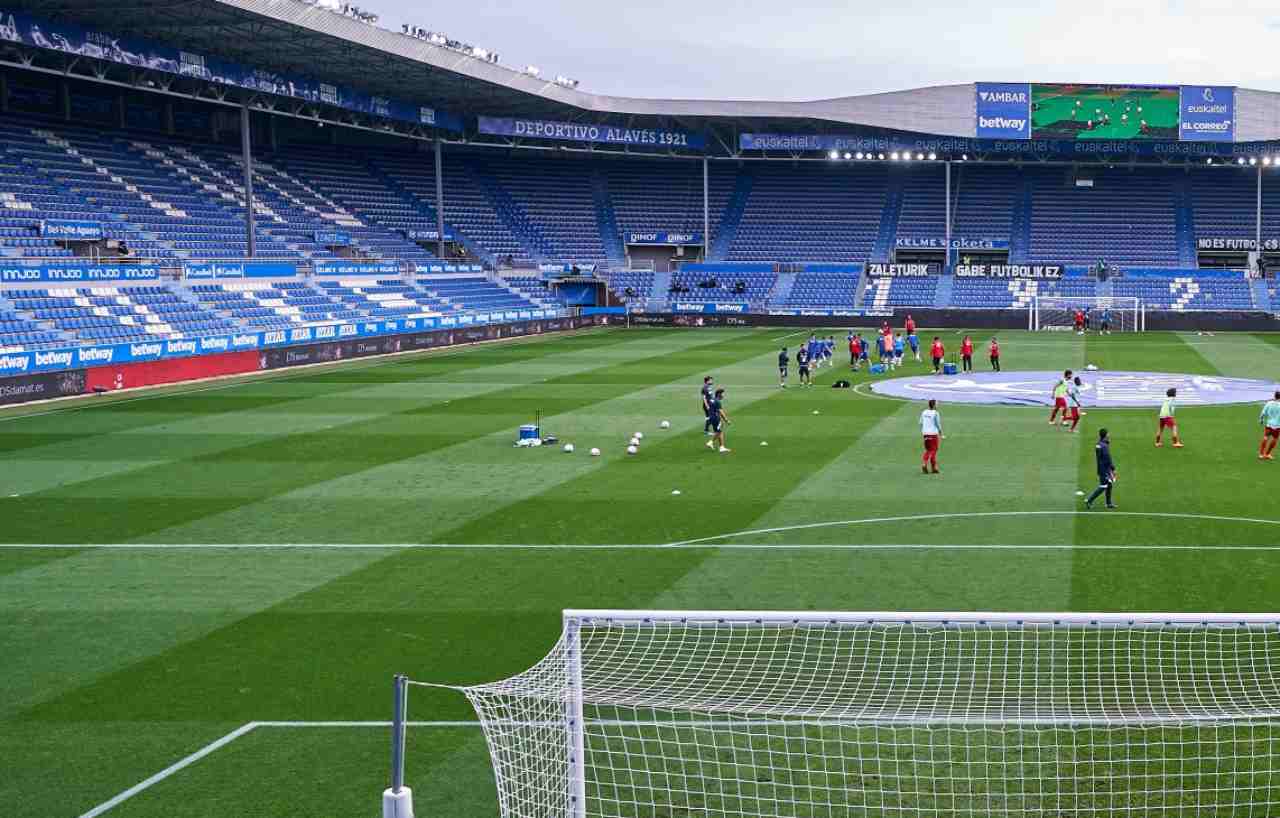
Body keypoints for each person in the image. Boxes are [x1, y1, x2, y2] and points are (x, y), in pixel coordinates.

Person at [1084, 428, 1118, 509]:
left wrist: (1106, 442)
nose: (1109, 435)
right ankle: (1089, 500)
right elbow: (1107, 458)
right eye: (1108, 434)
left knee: (1109, 485)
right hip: (1105, 470)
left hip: (1101, 468)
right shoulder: (1104, 446)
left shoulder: (1099, 444)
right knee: (1103, 486)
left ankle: (1108, 503)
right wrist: (1113, 469)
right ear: (1105, 435)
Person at [919, 398, 943, 474]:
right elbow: (938, 424)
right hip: (933, 434)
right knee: (933, 450)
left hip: (925, 434)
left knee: (928, 450)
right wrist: (941, 433)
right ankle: (930, 466)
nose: (938, 405)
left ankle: (930, 466)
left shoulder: (924, 412)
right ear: (934, 405)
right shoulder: (936, 413)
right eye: (937, 404)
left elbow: (920, 423)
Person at [707, 388, 731, 453]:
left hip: (711, 417)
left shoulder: (712, 399)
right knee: (719, 431)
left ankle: (721, 447)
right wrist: (726, 420)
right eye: (723, 394)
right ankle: (710, 442)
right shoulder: (718, 402)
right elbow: (721, 412)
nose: (723, 395)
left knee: (719, 431)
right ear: (719, 394)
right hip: (716, 418)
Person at [1260, 390, 1280, 460]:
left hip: (1269, 424)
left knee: (1265, 437)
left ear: (1274, 396)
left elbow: (1263, 413)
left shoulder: (1269, 403)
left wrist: (1261, 420)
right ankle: (1267, 454)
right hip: (1277, 426)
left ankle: (1261, 454)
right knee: (1275, 439)